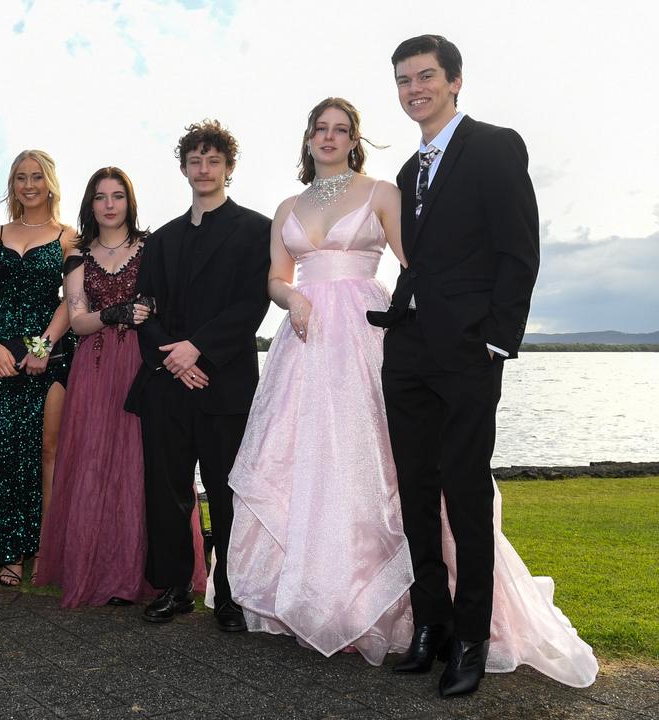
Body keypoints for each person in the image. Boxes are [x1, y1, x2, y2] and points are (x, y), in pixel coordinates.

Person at [369, 35, 595, 695]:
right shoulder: (408, 173)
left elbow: (517, 251)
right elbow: (418, 264)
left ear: (454, 80)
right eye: (404, 80)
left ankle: (470, 637)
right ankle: (428, 627)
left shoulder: (494, 146)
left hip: (468, 353)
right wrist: (391, 321)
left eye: (425, 76)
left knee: (464, 496)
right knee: (412, 492)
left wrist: (495, 341)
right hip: (406, 351)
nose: (414, 89)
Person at [226, 98, 413, 660]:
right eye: (320, 129)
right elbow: (276, 278)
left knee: (365, 454)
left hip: (364, 329)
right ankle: (300, 596)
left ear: (355, 139)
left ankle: (368, 603)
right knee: (297, 456)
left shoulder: (382, 193)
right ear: (307, 139)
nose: (330, 138)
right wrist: (292, 299)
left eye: (341, 130)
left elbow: (412, 262)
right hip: (303, 339)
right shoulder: (289, 203)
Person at [33, 167, 209, 608]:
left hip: (145, 362)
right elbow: (76, 320)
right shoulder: (77, 255)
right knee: (94, 463)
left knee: (146, 465)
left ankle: (156, 576)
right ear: (90, 204)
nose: (109, 204)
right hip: (93, 368)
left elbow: (168, 302)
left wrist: (149, 314)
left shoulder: (154, 247)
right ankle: (100, 569)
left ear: (130, 201)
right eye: (100, 196)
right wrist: (115, 314)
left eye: (117, 196)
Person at [125, 120, 270, 630]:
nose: (203, 169)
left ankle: (230, 592)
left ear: (229, 167)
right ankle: (174, 587)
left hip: (224, 383)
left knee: (227, 491)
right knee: (168, 491)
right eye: (195, 161)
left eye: (213, 161)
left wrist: (199, 349)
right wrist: (174, 358)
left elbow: (252, 304)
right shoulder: (161, 240)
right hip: (167, 383)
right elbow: (144, 309)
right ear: (184, 168)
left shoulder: (257, 229)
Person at [0, 150, 77, 587]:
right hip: (3, 357)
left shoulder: (68, 236)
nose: (29, 185)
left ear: (49, 182)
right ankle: (9, 549)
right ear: (12, 185)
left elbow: (71, 302)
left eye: (37, 177)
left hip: (50, 355)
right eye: (21, 178)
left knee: (48, 450)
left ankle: (45, 545)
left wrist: (42, 346)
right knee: (7, 446)